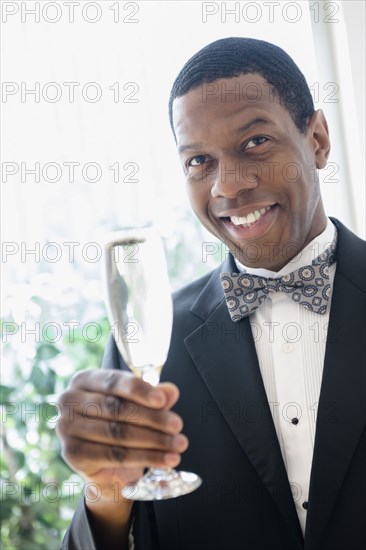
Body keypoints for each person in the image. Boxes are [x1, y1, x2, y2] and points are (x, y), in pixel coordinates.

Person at [56, 38, 366, 550]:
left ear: (316, 139)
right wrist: (106, 491)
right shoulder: (150, 341)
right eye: (199, 160)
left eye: (255, 142)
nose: (230, 185)